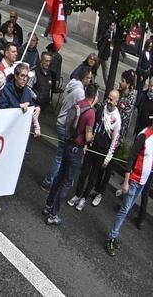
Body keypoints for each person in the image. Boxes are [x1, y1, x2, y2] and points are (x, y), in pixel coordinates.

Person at [44, 82, 99, 226]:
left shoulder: (79, 103)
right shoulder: (91, 113)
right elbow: (88, 137)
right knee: (67, 182)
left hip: (68, 143)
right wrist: (93, 137)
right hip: (77, 149)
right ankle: (53, 214)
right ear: (95, 96)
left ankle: (48, 205)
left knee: (59, 176)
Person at [105, 122, 153, 256]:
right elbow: (131, 158)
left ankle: (114, 234)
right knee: (125, 210)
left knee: (127, 208)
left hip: (143, 181)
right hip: (134, 180)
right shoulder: (143, 136)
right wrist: (126, 182)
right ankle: (111, 237)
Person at [69, 88, 122, 211]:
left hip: (102, 152)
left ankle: (84, 198)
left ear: (116, 102)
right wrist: (87, 144)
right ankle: (77, 194)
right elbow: (92, 127)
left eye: (111, 99)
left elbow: (114, 142)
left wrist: (108, 158)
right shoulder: (101, 109)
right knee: (83, 173)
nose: (108, 101)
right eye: (108, 98)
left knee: (92, 177)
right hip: (92, 147)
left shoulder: (117, 120)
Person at [43, 67, 92, 190]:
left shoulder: (72, 84)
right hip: (65, 124)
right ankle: (49, 182)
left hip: (60, 119)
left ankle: (52, 180)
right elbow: (82, 110)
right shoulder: (80, 92)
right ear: (84, 78)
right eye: (89, 78)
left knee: (60, 154)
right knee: (61, 156)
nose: (90, 80)